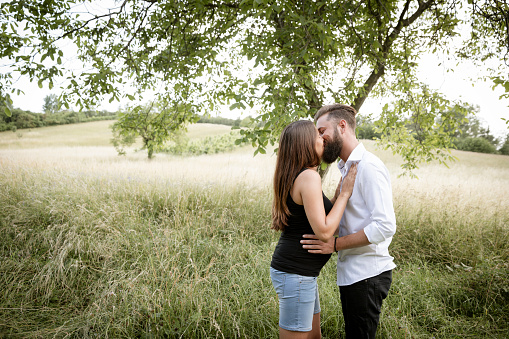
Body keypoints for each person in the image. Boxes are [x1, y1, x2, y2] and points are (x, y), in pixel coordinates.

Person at [300, 104, 397, 339]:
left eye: (323, 131)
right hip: (353, 273)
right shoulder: (347, 168)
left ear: (342, 126)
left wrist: (334, 245)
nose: (320, 138)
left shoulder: (369, 167)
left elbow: (385, 226)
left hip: (368, 274)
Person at [270, 120, 358, 339]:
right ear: (305, 143)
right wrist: (345, 194)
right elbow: (325, 232)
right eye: (317, 135)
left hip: (299, 274)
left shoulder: (298, 174)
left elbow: (312, 216)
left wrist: (336, 197)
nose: (322, 138)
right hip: (295, 274)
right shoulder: (309, 177)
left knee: (314, 337)